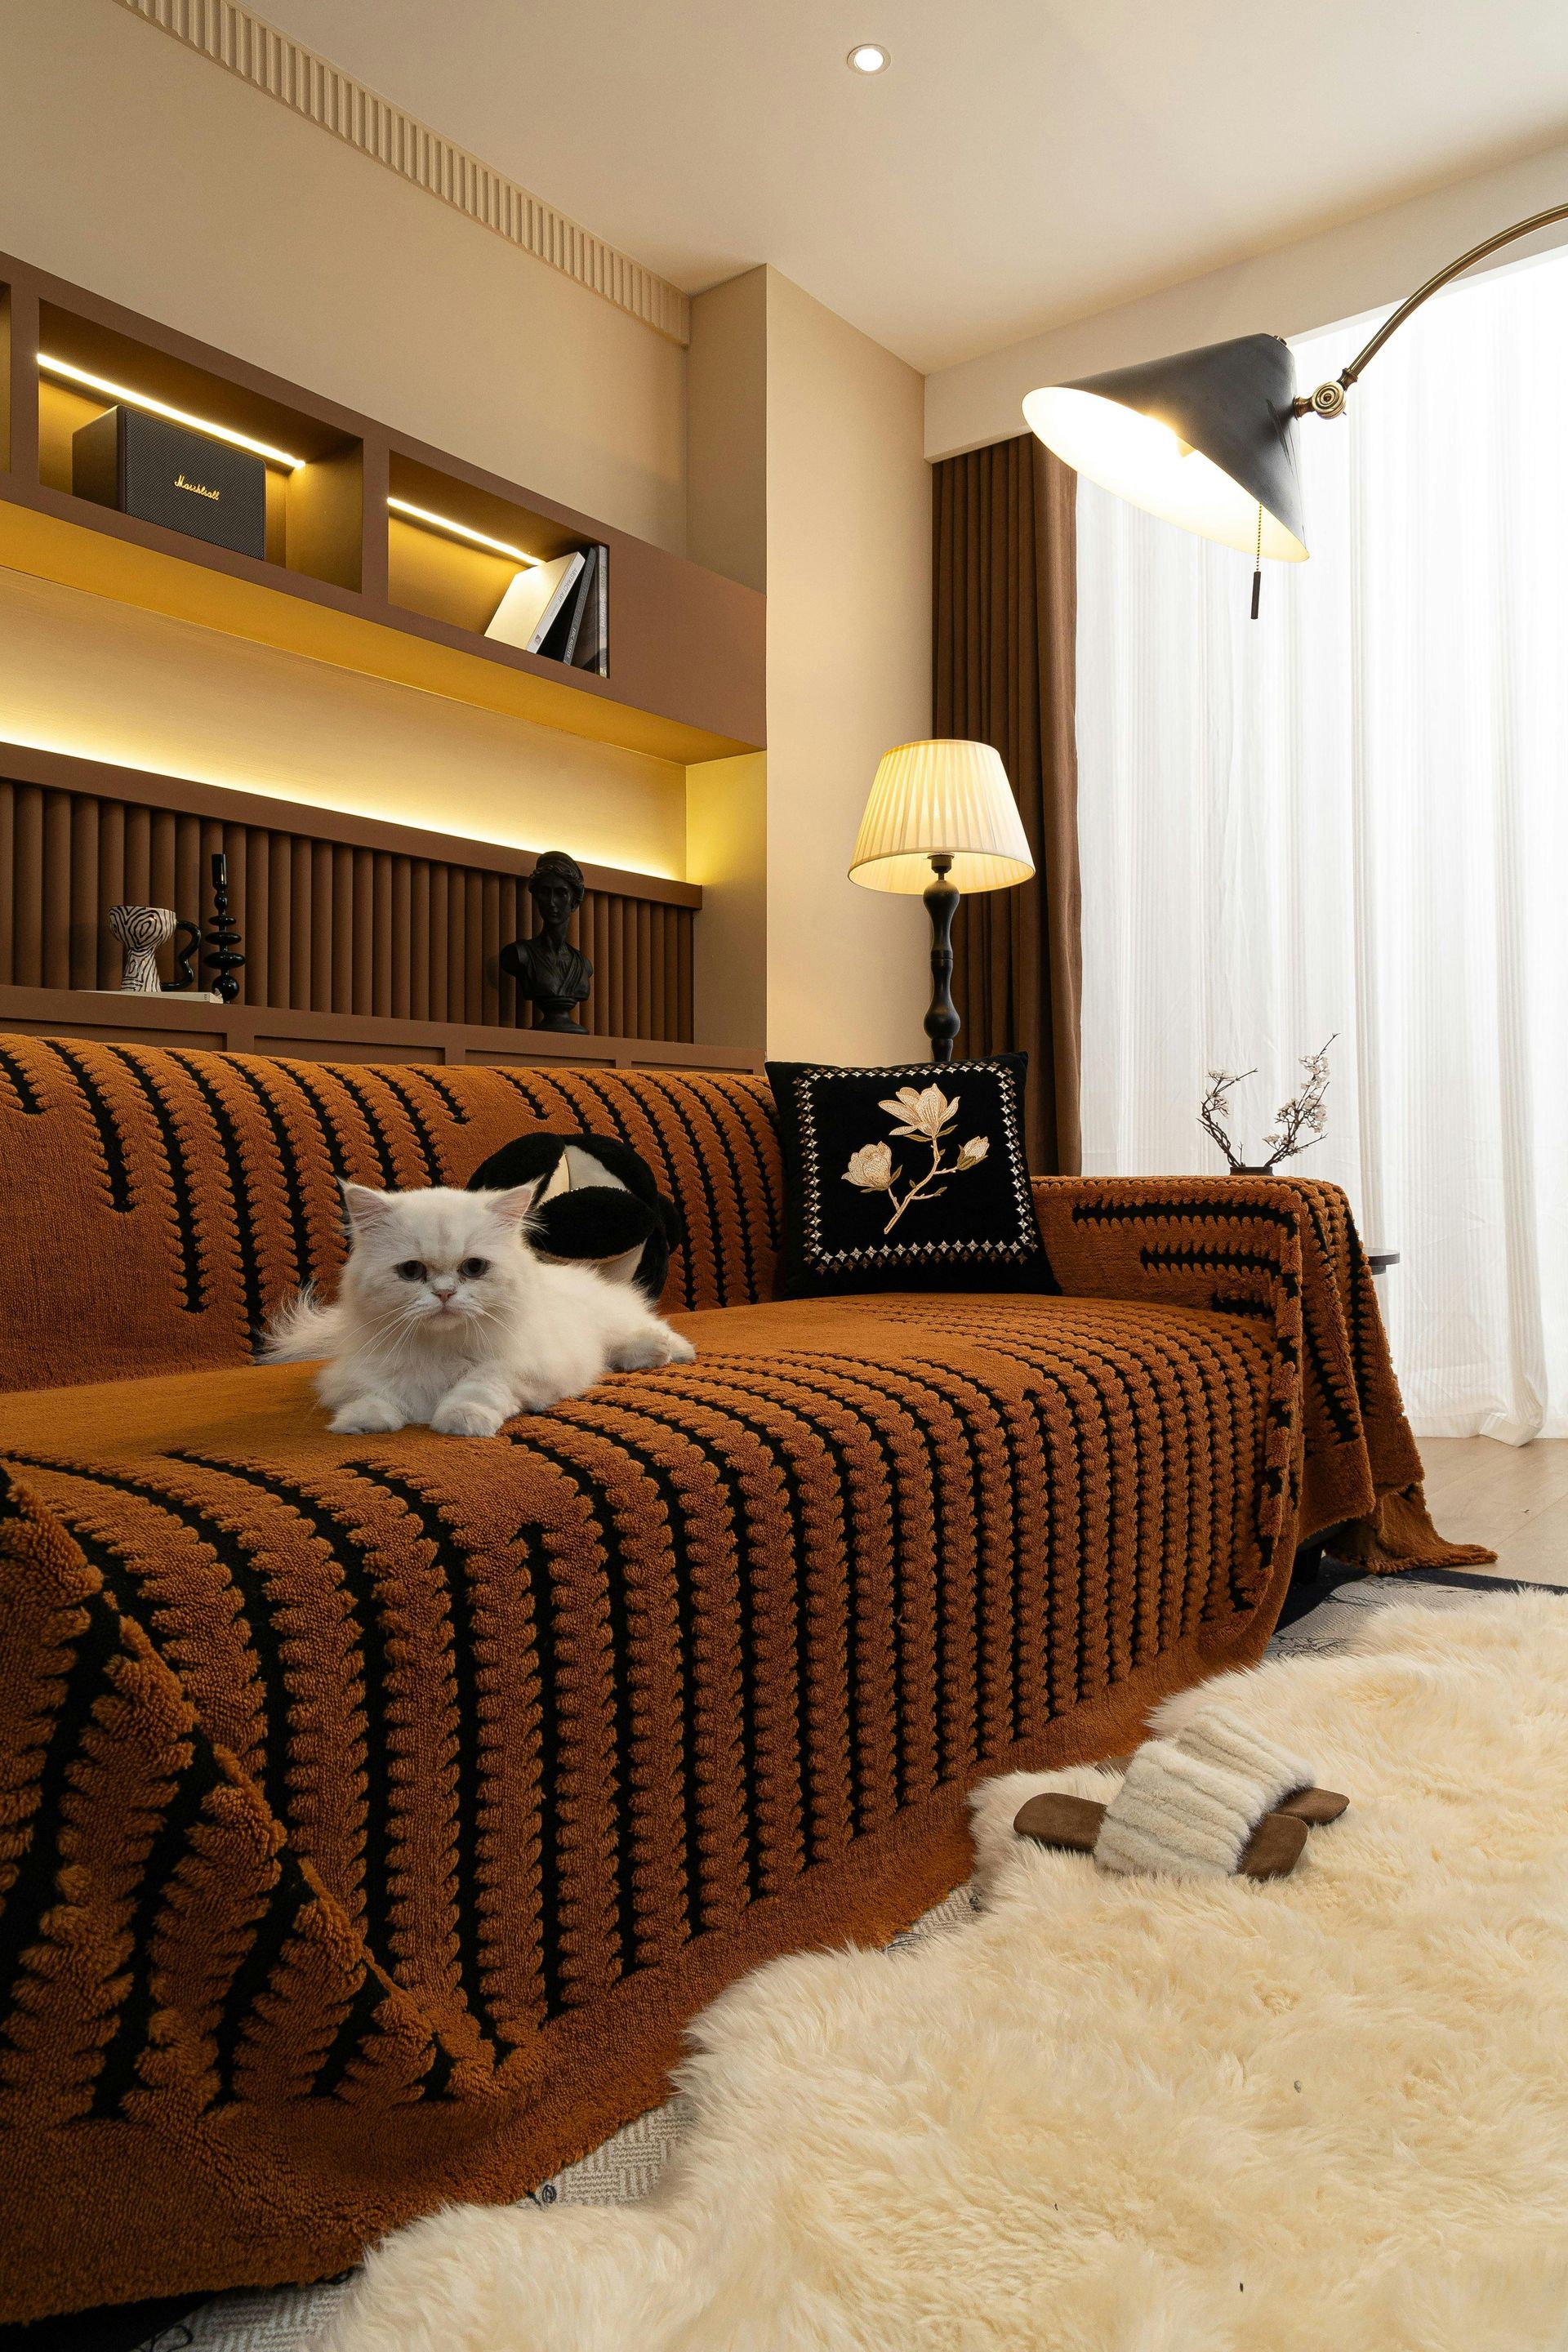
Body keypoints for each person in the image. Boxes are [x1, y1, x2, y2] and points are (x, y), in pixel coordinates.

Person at [500, 849, 593, 1031]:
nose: (551, 902)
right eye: (545, 892)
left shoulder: (583, 965)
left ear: (574, 902)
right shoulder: (520, 955)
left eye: (560, 893)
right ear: (536, 898)